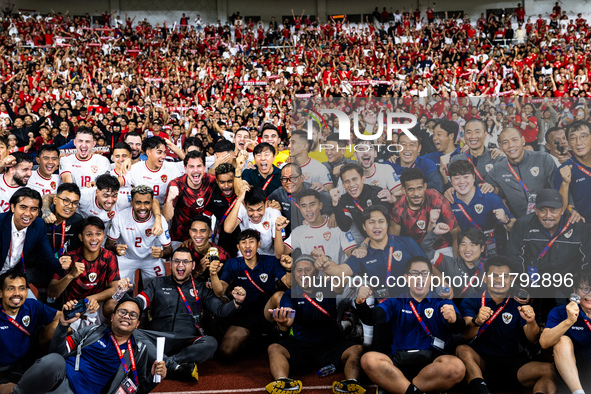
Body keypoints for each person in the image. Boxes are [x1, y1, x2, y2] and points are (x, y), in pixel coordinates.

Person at [356, 256, 467, 394]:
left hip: (432, 364)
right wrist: (360, 303)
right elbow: (372, 318)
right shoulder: (395, 301)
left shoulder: (442, 302)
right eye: (414, 273)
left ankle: (399, 387)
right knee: (368, 359)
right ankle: (414, 391)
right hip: (398, 362)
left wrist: (454, 320)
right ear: (406, 278)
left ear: (431, 277)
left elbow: (460, 329)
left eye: (424, 273)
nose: (420, 278)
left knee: (456, 367)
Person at [134, 246, 246, 381]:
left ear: (193, 265)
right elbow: (141, 301)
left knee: (211, 343)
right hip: (158, 338)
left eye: (185, 262)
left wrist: (237, 302)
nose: (180, 265)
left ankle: (167, 363)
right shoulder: (157, 282)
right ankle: (176, 367)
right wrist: (126, 301)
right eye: (176, 261)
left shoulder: (202, 287)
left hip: (186, 341)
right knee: (133, 333)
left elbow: (221, 310)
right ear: (171, 263)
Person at [10, 298, 166, 393]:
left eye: (133, 315)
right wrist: (63, 325)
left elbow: (135, 389)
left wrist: (154, 378)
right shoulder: (92, 331)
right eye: (122, 312)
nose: (127, 316)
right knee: (54, 360)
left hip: (86, 391)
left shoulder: (138, 352)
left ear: (138, 324)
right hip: (62, 377)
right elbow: (57, 352)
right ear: (112, 317)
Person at [456, 256, 557, 394]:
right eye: (494, 275)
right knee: (462, 350)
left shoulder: (519, 302)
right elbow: (466, 334)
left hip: (514, 363)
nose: (499, 280)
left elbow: (532, 339)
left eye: (505, 276)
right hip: (481, 363)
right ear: (485, 278)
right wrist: (477, 321)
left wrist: (531, 321)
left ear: (511, 280)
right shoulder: (471, 300)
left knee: (549, 370)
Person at [265, 255, 365, 394]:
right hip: (302, 347)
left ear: (316, 272)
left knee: (357, 349)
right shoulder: (289, 294)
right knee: (274, 348)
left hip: (331, 346)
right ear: (294, 273)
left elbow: (342, 280)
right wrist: (286, 320)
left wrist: (327, 263)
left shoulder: (328, 286)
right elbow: (288, 312)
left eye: (308, 270)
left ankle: (351, 384)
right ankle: (282, 381)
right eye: (299, 270)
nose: (303, 274)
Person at [209, 229, 290, 358]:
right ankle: (254, 340)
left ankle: (284, 337)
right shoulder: (232, 264)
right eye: (243, 242)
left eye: (251, 242)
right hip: (244, 313)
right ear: (238, 247)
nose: (247, 246)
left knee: (280, 295)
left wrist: (289, 269)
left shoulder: (271, 261)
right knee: (226, 352)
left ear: (258, 244)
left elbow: (289, 284)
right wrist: (213, 274)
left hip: (267, 312)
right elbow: (219, 292)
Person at [0, 270, 61, 393]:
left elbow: (61, 316)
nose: (17, 294)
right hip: (2, 371)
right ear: (0, 293)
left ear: (27, 292)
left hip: (26, 363)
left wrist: (80, 309)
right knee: (14, 392)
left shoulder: (32, 306)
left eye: (21, 288)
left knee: (60, 326)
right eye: (10, 289)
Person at [48, 216, 120, 320]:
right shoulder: (69, 257)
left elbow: (114, 289)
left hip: (96, 306)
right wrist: (71, 275)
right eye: (89, 234)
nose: (94, 239)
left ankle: (109, 334)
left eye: (98, 234)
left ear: (103, 235)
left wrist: (92, 298)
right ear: (81, 237)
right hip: (73, 308)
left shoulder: (109, 256)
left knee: (113, 305)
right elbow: (51, 293)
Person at [106, 185, 172, 286]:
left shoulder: (160, 221)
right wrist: (115, 249)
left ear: (152, 203)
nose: (142, 207)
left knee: (160, 287)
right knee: (117, 288)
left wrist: (161, 254)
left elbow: (169, 249)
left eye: (147, 203)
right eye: (138, 203)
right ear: (131, 202)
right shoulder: (120, 217)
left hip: (150, 259)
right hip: (126, 258)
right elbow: (108, 244)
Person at [484, 127, 557, 218]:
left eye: (514, 140)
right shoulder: (498, 168)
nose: (511, 145)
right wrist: (491, 188)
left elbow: (558, 188)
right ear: (500, 146)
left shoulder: (543, 159)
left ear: (523, 140)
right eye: (505, 142)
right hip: (520, 225)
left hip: (548, 219)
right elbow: (489, 190)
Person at [447, 160, 515, 256]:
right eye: (456, 178)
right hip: (466, 253)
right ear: (451, 180)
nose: (462, 181)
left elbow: (514, 228)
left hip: (494, 252)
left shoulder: (490, 198)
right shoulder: (448, 202)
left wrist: (505, 220)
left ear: (474, 178)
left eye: (466, 177)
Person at [540, 268, 591, 391]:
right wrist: (569, 321)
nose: (589, 294)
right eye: (585, 289)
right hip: (570, 370)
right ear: (575, 291)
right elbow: (544, 342)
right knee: (562, 341)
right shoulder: (560, 312)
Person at [390, 168, 459, 256]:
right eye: (411, 189)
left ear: (425, 186)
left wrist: (456, 264)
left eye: (419, 188)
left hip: (441, 246)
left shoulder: (436, 198)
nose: (416, 194)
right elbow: (393, 242)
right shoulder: (398, 210)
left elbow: (456, 233)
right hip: (414, 251)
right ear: (403, 190)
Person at [0, 188, 64, 278]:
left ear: (38, 212)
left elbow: (48, 258)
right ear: (13, 207)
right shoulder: (1, 221)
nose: (28, 213)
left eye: (33, 209)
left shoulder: (39, 225)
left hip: (12, 277)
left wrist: (63, 266)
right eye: (23, 207)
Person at [282, 189, 357, 264]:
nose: (308, 209)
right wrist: (278, 230)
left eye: (312, 205)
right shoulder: (298, 232)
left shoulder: (336, 224)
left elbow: (353, 255)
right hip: (312, 275)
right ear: (300, 209)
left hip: (337, 274)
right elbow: (281, 253)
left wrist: (336, 271)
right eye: (304, 206)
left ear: (320, 205)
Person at [163, 150, 217, 243]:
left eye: (199, 166)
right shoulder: (176, 185)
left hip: (203, 237)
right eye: (191, 166)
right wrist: (169, 200)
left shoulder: (212, 181)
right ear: (185, 168)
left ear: (204, 167)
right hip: (179, 238)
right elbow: (167, 217)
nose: (195, 170)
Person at [331, 163, 395, 238]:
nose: (351, 184)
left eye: (354, 179)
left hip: (386, 238)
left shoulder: (378, 194)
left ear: (363, 180)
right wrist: (335, 204)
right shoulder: (344, 200)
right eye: (347, 181)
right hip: (367, 241)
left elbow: (381, 227)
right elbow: (345, 227)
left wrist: (365, 244)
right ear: (343, 185)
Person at [422, 225, 488, 297]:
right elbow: (426, 250)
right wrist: (434, 233)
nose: (467, 249)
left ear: (482, 248)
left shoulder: (490, 265)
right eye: (463, 244)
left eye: (472, 245)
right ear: (458, 247)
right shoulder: (450, 263)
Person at [268, 163, 332, 231]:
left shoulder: (317, 192)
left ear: (302, 178)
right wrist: (273, 206)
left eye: (292, 178)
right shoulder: (279, 193)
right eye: (284, 179)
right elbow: (265, 205)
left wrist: (317, 221)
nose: (288, 182)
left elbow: (333, 215)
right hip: (290, 238)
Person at [121, 136, 182, 205]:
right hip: (142, 210)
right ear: (148, 153)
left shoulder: (171, 167)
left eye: (164, 152)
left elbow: (190, 162)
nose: (163, 156)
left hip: (165, 211)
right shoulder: (136, 168)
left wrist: (172, 145)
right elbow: (120, 181)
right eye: (159, 152)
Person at [224, 185, 282, 256]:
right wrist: (239, 200)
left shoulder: (274, 212)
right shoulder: (242, 207)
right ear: (245, 206)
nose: (255, 214)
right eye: (251, 210)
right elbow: (228, 229)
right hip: (245, 256)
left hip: (268, 256)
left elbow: (279, 254)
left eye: (259, 209)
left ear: (266, 204)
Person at [555, 120, 591, 222]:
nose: (579, 142)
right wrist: (565, 183)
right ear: (569, 143)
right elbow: (561, 207)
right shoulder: (563, 171)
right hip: (584, 226)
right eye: (573, 138)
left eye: (583, 136)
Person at [450, 118, 503, 185]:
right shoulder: (456, 160)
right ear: (464, 136)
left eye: (477, 132)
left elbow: (504, 189)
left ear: (485, 134)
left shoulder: (497, 159)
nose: (473, 136)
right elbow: (451, 187)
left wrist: (494, 189)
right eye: (469, 132)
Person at [203, 162, 240, 257]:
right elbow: (206, 219)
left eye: (230, 181)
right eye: (222, 182)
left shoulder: (241, 193)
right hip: (223, 240)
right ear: (217, 181)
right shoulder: (212, 195)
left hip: (243, 239)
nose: (226, 186)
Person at [423, 120, 462, 187]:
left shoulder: (464, 156)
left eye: (439, 134)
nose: (434, 138)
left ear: (451, 136)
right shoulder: (428, 158)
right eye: (434, 134)